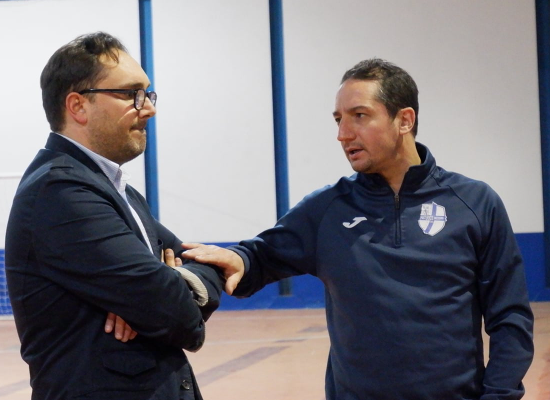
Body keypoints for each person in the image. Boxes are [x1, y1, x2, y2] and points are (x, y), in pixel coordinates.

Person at [182, 58, 535, 399]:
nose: (343, 134)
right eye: (338, 120)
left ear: (404, 120)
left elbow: (510, 317)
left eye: (359, 116)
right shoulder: (327, 209)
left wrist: (499, 395)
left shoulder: (474, 203)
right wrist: (237, 260)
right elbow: (257, 257)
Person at [5, 32, 221, 400]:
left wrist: (162, 289)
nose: (148, 108)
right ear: (78, 106)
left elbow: (202, 262)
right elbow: (175, 315)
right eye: (130, 94)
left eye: (148, 94)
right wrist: (155, 300)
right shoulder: (62, 192)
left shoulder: (119, 191)